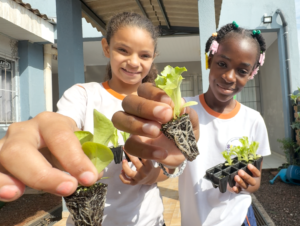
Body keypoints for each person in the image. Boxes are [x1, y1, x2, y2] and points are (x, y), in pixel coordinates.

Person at [0, 12, 199, 226]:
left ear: (153, 58)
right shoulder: (83, 95)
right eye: (123, 50)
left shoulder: (162, 105)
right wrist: (45, 135)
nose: (133, 62)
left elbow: (170, 165)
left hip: (148, 220)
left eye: (144, 55)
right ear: (106, 48)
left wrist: (151, 176)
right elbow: (62, 125)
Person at [113, 22, 271, 226]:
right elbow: (168, 167)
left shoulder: (253, 120)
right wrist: (149, 174)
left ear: (252, 74)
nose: (229, 76)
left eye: (242, 71)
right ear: (209, 59)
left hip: (239, 219)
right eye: (222, 64)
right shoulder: (181, 111)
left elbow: (255, 179)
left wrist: (251, 183)